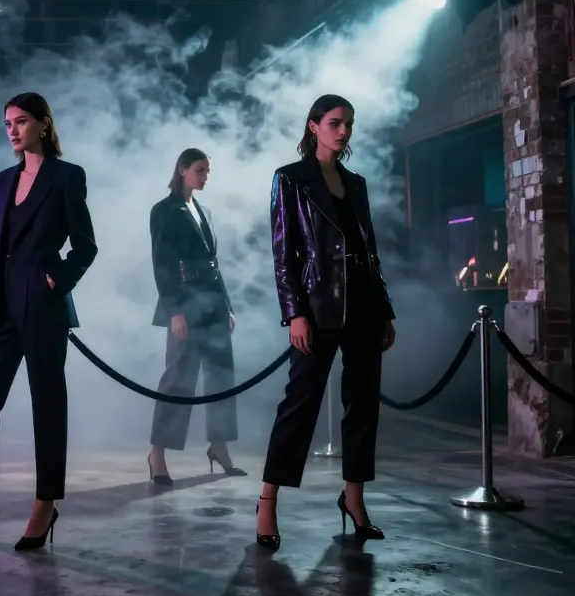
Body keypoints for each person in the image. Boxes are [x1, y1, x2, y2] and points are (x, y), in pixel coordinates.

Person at [0, 92, 98, 552]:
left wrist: (57, 280)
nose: (12, 129)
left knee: (47, 406)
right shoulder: (2, 180)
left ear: (43, 125)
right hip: (1, 306)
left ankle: (45, 503)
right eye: (7, 122)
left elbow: (86, 246)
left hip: (45, 307)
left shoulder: (68, 177)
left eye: (21, 121)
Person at [256, 94, 397, 552]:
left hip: (363, 305)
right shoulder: (290, 179)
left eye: (349, 124)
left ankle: (354, 500)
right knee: (299, 406)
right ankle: (267, 501)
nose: (343, 132)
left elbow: (370, 250)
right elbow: (283, 255)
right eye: (334, 123)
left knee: (362, 407)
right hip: (317, 307)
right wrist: (294, 312)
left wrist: (385, 309)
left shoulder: (356, 184)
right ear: (313, 126)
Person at [146, 148, 246, 485]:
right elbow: (162, 263)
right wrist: (174, 310)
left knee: (221, 376)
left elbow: (215, 265)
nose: (206, 176)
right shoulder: (163, 210)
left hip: (214, 302)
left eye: (207, 171)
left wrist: (228, 306)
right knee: (178, 379)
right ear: (183, 169)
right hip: (185, 303)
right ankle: (157, 454)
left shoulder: (203, 210)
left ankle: (219, 446)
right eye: (200, 170)